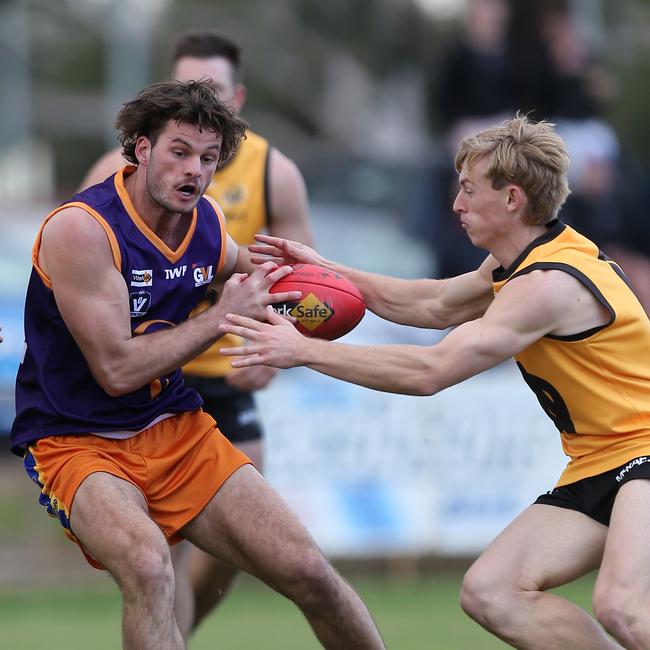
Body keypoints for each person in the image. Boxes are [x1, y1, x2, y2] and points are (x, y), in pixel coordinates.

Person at [221, 115, 650, 649]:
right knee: (493, 592)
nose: (456, 204)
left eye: (469, 190)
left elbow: (431, 372)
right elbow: (431, 304)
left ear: (512, 198)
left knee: (623, 606)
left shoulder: (548, 285)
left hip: (643, 453)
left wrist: (304, 350)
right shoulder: (520, 263)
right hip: (603, 460)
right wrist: (328, 270)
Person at [10, 79, 385, 650]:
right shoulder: (82, 230)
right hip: (76, 439)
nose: (194, 171)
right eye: (179, 152)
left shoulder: (205, 224)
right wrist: (220, 318)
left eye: (208, 159)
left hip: (175, 429)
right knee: (149, 566)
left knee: (308, 571)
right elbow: (116, 369)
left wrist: (304, 295)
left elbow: (255, 280)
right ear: (140, 149)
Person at [79, 30, 315, 635]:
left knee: (248, 553)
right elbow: (67, 264)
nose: (197, 97)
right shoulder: (119, 171)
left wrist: (279, 337)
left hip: (227, 373)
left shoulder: (274, 172)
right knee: (164, 554)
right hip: (147, 376)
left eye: (210, 89)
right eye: (187, 85)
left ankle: (175, 634)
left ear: (236, 97)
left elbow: (302, 276)